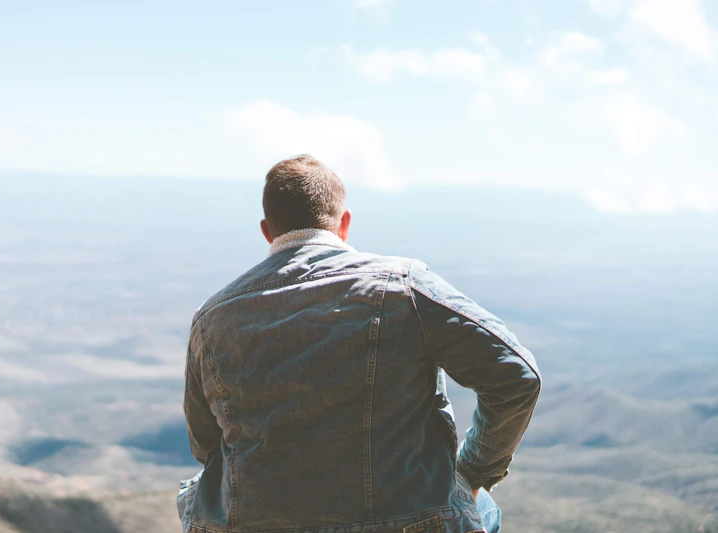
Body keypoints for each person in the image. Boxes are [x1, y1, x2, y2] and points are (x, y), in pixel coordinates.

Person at [179, 155, 541, 533]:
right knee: (483, 509)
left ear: (267, 231)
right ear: (344, 223)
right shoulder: (402, 287)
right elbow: (516, 376)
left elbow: (207, 444)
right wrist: (472, 473)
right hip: (409, 522)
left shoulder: (213, 317)